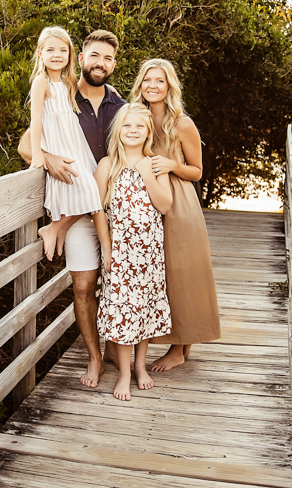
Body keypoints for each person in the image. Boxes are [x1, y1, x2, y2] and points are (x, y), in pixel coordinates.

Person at [18, 29, 126, 388]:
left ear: (114, 64)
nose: (100, 63)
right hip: (75, 198)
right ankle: (95, 359)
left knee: (120, 282)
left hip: (116, 210)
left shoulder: (119, 105)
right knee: (84, 285)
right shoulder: (61, 92)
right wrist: (45, 158)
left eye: (108, 58)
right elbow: (26, 143)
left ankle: (115, 348)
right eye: (94, 56)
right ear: (80, 58)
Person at [129, 58, 221, 371]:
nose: (152, 86)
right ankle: (153, 341)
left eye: (160, 81)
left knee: (182, 273)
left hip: (180, 204)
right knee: (158, 274)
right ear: (140, 84)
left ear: (169, 86)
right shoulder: (134, 118)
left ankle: (180, 349)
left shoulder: (182, 123)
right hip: (145, 204)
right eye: (147, 80)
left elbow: (197, 171)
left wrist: (172, 165)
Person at [94, 104, 173, 401]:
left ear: (148, 132)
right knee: (123, 311)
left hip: (150, 252)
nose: (133, 131)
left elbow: (165, 206)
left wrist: (147, 174)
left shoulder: (155, 164)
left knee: (145, 308)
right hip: (122, 253)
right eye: (127, 126)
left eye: (139, 126)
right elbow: (97, 210)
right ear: (118, 131)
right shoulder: (107, 166)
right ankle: (124, 373)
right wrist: (106, 246)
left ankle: (141, 366)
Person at [28, 27, 105, 260]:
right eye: (50, 50)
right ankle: (54, 228)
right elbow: (36, 121)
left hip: (74, 144)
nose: (57, 55)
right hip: (58, 145)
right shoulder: (41, 82)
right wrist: (38, 154)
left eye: (63, 50)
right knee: (88, 189)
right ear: (40, 53)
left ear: (70, 55)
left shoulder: (67, 82)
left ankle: (56, 228)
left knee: (94, 190)